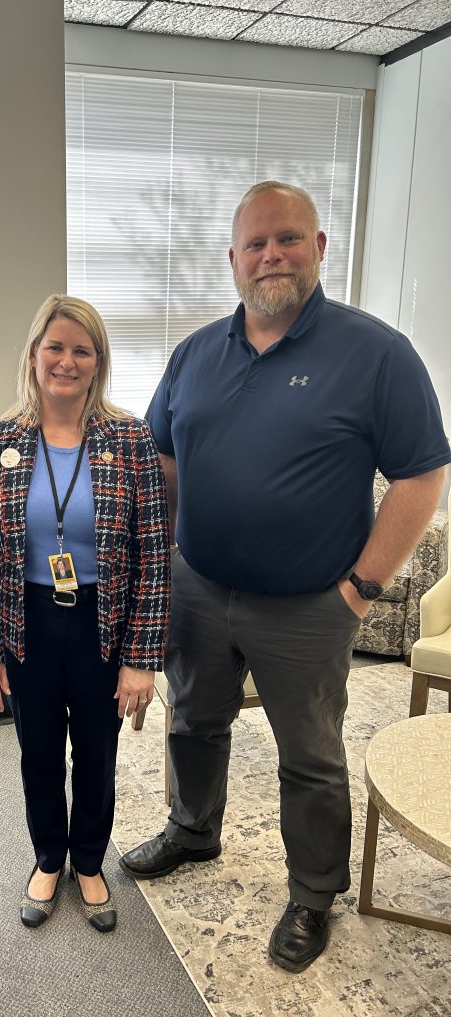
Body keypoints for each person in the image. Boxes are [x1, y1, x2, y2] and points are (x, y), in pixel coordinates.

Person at [121, 181, 450, 972]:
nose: (272, 255)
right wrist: (160, 566)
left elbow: (421, 476)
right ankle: (193, 829)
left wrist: (360, 590)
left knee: (310, 755)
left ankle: (312, 894)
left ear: (319, 247)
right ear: (232, 259)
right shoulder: (196, 353)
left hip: (310, 605)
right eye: (256, 243)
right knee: (193, 723)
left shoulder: (377, 354)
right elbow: (161, 458)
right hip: (200, 589)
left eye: (289, 239)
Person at [0, 294, 170, 932]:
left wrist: (141, 660)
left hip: (101, 623)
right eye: (55, 347)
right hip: (27, 622)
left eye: (83, 350)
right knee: (39, 751)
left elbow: (152, 554)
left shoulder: (129, 438)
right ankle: (49, 857)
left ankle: (89, 861)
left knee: (98, 751)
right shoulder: (0, 439)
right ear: (34, 354)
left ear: (98, 362)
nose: (67, 361)